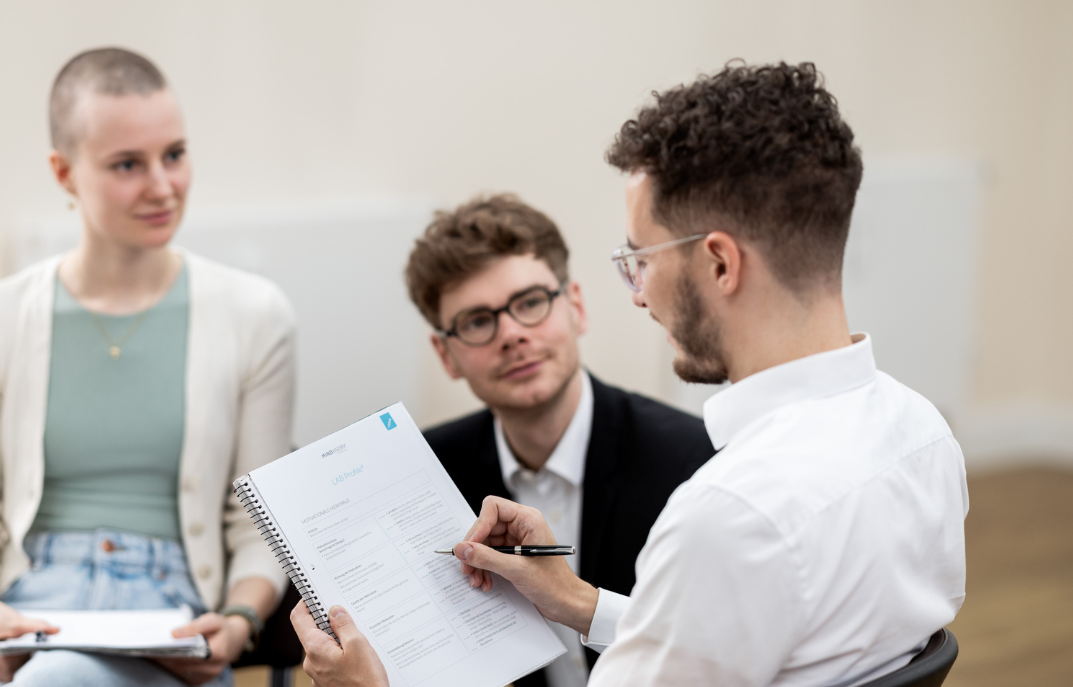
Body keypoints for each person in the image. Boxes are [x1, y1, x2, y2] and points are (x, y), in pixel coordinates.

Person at [291, 61, 968, 687]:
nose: (639, 294)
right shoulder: (922, 432)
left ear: (720, 264)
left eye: (642, 259)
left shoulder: (727, 516)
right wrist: (580, 602)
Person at [0, 48, 296, 686]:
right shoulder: (8, 317)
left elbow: (260, 520)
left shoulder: (255, 315)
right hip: (29, 605)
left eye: (175, 154)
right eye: (127, 164)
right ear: (64, 173)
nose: (162, 186)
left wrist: (239, 619)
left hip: (172, 616)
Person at [408, 195, 713, 687]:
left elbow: (723, 655)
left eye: (530, 303)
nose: (511, 334)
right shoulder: (424, 472)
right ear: (446, 355)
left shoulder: (693, 460)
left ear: (576, 307)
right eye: (478, 321)